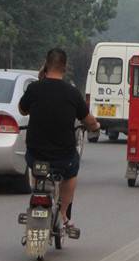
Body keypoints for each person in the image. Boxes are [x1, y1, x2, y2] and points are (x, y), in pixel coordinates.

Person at [18, 48, 101, 231]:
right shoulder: (72, 93)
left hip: (35, 155)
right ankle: (63, 214)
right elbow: (89, 120)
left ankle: (38, 193)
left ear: (46, 65)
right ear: (65, 67)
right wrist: (95, 127)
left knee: (37, 167)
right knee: (72, 171)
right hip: (63, 158)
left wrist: (40, 82)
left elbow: (22, 110)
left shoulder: (34, 88)